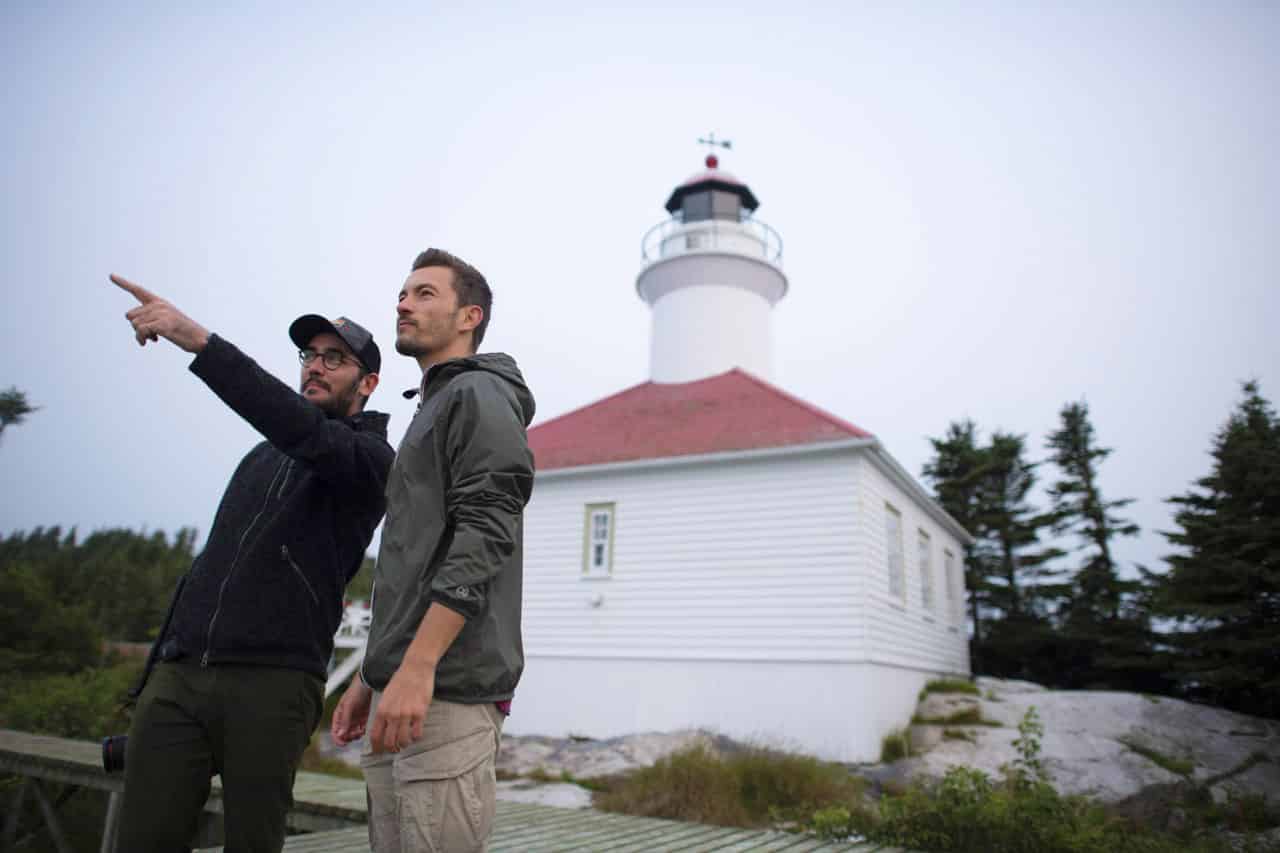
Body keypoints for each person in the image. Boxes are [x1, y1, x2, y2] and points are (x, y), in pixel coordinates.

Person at [108, 274, 396, 852]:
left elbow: (299, 427)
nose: (315, 366)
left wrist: (199, 341)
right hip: (180, 676)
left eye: (334, 359)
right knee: (140, 839)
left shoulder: (369, 459)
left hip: (274, 683)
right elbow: (213, 562)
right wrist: (163, 661)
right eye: (309, 355)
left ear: (367, 382)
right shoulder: (259, 457)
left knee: (252, 842)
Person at [330, 249, 535, 852]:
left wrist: (417, 668)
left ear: (469, 316)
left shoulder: (478, 395)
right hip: (404, 688)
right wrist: (373, 674)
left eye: (424, 293)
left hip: (445, 693)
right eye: (402, 293)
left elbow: (489, 527)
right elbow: (410, 563)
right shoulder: (435, 405)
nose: (403, 303)